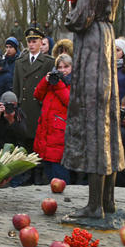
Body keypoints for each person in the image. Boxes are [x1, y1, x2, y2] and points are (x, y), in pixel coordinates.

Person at [61, 0, 125, 218]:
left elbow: (81, 18)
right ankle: (108, 201)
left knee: (92, 120)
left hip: (90, 48)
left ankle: (94, 206)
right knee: (107, 119)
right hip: (106, 41)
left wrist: (70, 9)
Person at [12, 28, 55, 160]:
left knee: (38, 141)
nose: (31, 44)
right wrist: (16, 105)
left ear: (41, 42)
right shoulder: (20, 62)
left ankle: (37, 172)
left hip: (38, 107)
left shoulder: (48, 62)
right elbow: (16, 86)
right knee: (23, 141)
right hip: (24, 107)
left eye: (34, 41)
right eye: (29, 41)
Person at [33, 54, 72, 183]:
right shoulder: (52, 82)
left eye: (66, 67)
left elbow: (69, 101)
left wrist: (58, 84)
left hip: (60, 136)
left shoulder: (74, 83)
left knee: (60, 176)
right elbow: (37, 94)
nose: (62, 70)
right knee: (48, 174)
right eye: (59, 67)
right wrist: (46, 80)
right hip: (46, 133)